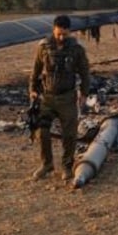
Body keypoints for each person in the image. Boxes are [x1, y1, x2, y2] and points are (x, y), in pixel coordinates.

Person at [28, 14, 90, 181]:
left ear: (69, 31)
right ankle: (46, 164)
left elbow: (85, 72)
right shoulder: (43, 47)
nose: (61, 37)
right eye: (58, 34)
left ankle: (67, 167)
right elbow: (35, 70)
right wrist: (32, 89)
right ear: (53, 30)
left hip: (67, 98)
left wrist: (84, 93)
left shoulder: (77, 49)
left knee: (69, 135)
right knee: (42, 132)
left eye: (64, 34)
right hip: (47, 97)